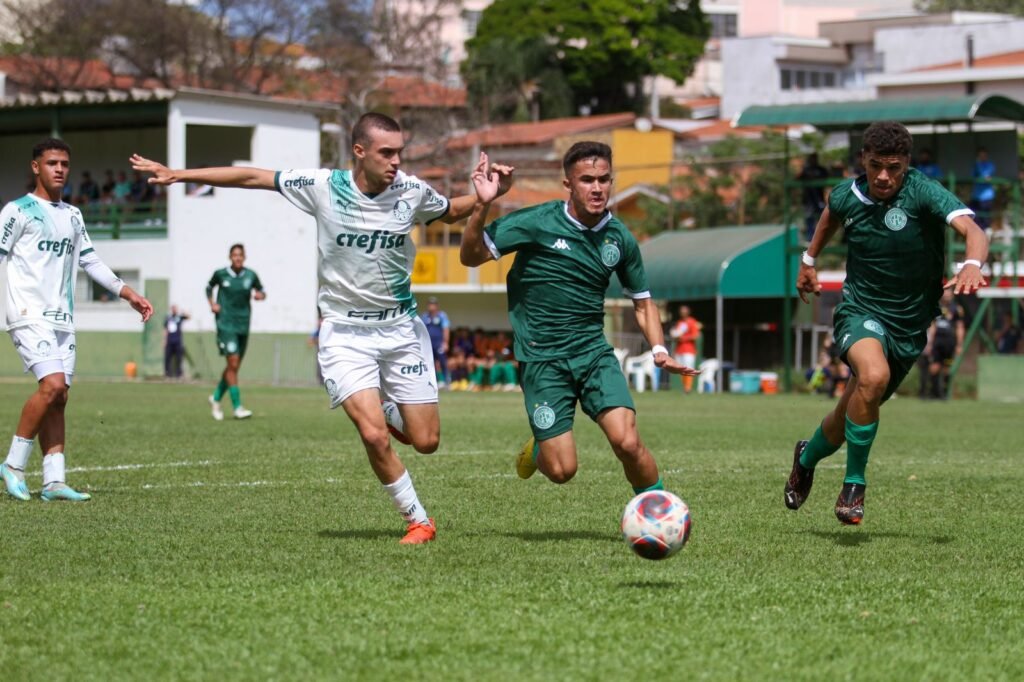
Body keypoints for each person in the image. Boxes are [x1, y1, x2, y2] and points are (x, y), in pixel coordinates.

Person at [131, 112, 514, 544]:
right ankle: (418, 519)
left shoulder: (410, 191)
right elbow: (253, 176)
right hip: (345, 334)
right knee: (372, 435)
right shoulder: (323, 187)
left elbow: (449, 211)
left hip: (402, 331)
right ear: (359, 151)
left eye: (400, 152)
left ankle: (390, 412)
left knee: (426, 441)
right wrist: (178, 173)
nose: (396, 161)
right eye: (386, 152)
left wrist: (487, 197)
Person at [460, 140, 698, 497]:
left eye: (604, 179)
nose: (597, 187)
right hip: (542, 359)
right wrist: (483, 203)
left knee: (628, 442)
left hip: (592, 355)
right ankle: (541, 447)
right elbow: (470, 257)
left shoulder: (620, 238)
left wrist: (659, 349)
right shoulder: (536, 222)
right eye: (587, 179)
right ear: (568, 184)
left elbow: (643, 302)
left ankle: (659, 512)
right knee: (561, 471)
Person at [786, 120, 988, 525]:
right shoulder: (848, 194)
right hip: (860, 311)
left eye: (893, 167)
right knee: (873, 376)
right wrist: (808, 261)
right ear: (863, 159)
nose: (883, 176)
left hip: (909, 326)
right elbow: (829, 215)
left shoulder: (923, 192)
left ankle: (805, 459)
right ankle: (854, 486)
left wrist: (971, 264)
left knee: (851, 412)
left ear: (906, 165)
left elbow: (973, 230)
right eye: (876, 165)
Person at [0, 138, 153, 502]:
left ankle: (54, 481)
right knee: (51, 385)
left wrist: (126, 291)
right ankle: (13, 464)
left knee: (60, 397)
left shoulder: (72, 215)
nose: (59, 169)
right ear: (36, 167)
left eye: (65, 164)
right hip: (27, 314)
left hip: (62, 319)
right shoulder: (16, 211)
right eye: (52, 163)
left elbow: (89, 260)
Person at [205, 244, 265, 420]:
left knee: (234, 366)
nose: (237, 258)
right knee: (232, 362)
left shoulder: (250, 275)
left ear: (244, 257)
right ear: (230, 257)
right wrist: (212, 304)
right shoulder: (221, 274)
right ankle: (237, 407)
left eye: (240, 255)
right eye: (234, 255)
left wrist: (260, 295)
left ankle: (215, 398)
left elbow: (261, 290)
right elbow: (208, 287)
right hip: (225, 323)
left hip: (243, 324)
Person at [924, 290, 964, 399]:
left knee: (947, 367)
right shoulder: (936, 308)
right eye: (945, 294)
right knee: (934, 366)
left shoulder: (957, 309)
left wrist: (959, 344)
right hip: (937, 342)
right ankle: (933, 392)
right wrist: (930, 343)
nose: (947, 296)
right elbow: (933, 326)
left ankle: (945, 393)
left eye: (949, 294)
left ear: (952, 296)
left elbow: (960, 327)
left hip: (949, 342)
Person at [669, 304, 701, 393]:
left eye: (684, 311)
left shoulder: (692, 321)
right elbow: (677, 334)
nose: (682, 313)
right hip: (679, 349)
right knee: (681, 370)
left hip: (689, 350)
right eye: (681, 311)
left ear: (688, 312)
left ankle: (688, 387)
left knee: (688, 369)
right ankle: (685, 387)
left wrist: (684, 338)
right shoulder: (679, 322)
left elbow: (695, 335)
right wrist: (674, 335)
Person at [420, 296, 451, 388]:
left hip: (439, 343)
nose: (431, 306)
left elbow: (446, 329)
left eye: (433, 304)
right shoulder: (424, 316)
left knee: (442, 362)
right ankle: (434, 381)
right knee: (430, 363)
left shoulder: (441, 316)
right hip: (428, 344)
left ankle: (446, 381)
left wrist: (446, 342)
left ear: (437, 306)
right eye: (429, 304)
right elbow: (421, 330)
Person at [798, 152, 829, 242]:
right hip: (808, 201)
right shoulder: (806, 170)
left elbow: (827, 176)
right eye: (811, 158)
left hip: (819, 200)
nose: (813, 160)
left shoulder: (821, 170)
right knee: (809, 221)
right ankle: (809, 241)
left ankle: (821, 240)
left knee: (822, 221)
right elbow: (797, 178)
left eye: (814, 158)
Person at [971, 148, 996, 230]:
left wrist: (978, 165)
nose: (982, 157)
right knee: (976, 218)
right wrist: (977, 164)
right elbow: (973, 176)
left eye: (983, 155)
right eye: (980, 155)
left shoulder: (990, 165)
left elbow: (985, 177)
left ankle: (987, 235)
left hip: (987, 196)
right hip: (976, 196)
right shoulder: (976, 165)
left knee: (986, 219)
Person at [163, 304, 190, 379]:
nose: (174, 310)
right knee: (168, 358)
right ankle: (168, 373)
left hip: (178, 341)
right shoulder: (168, 318)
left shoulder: (179, 317)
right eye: (173, 308)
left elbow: (188, 317)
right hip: (169, 340)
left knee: (179, 358)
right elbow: (165, 329)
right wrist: (164, 340)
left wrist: (183, 311)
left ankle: (179, 374)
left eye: (175, 308)